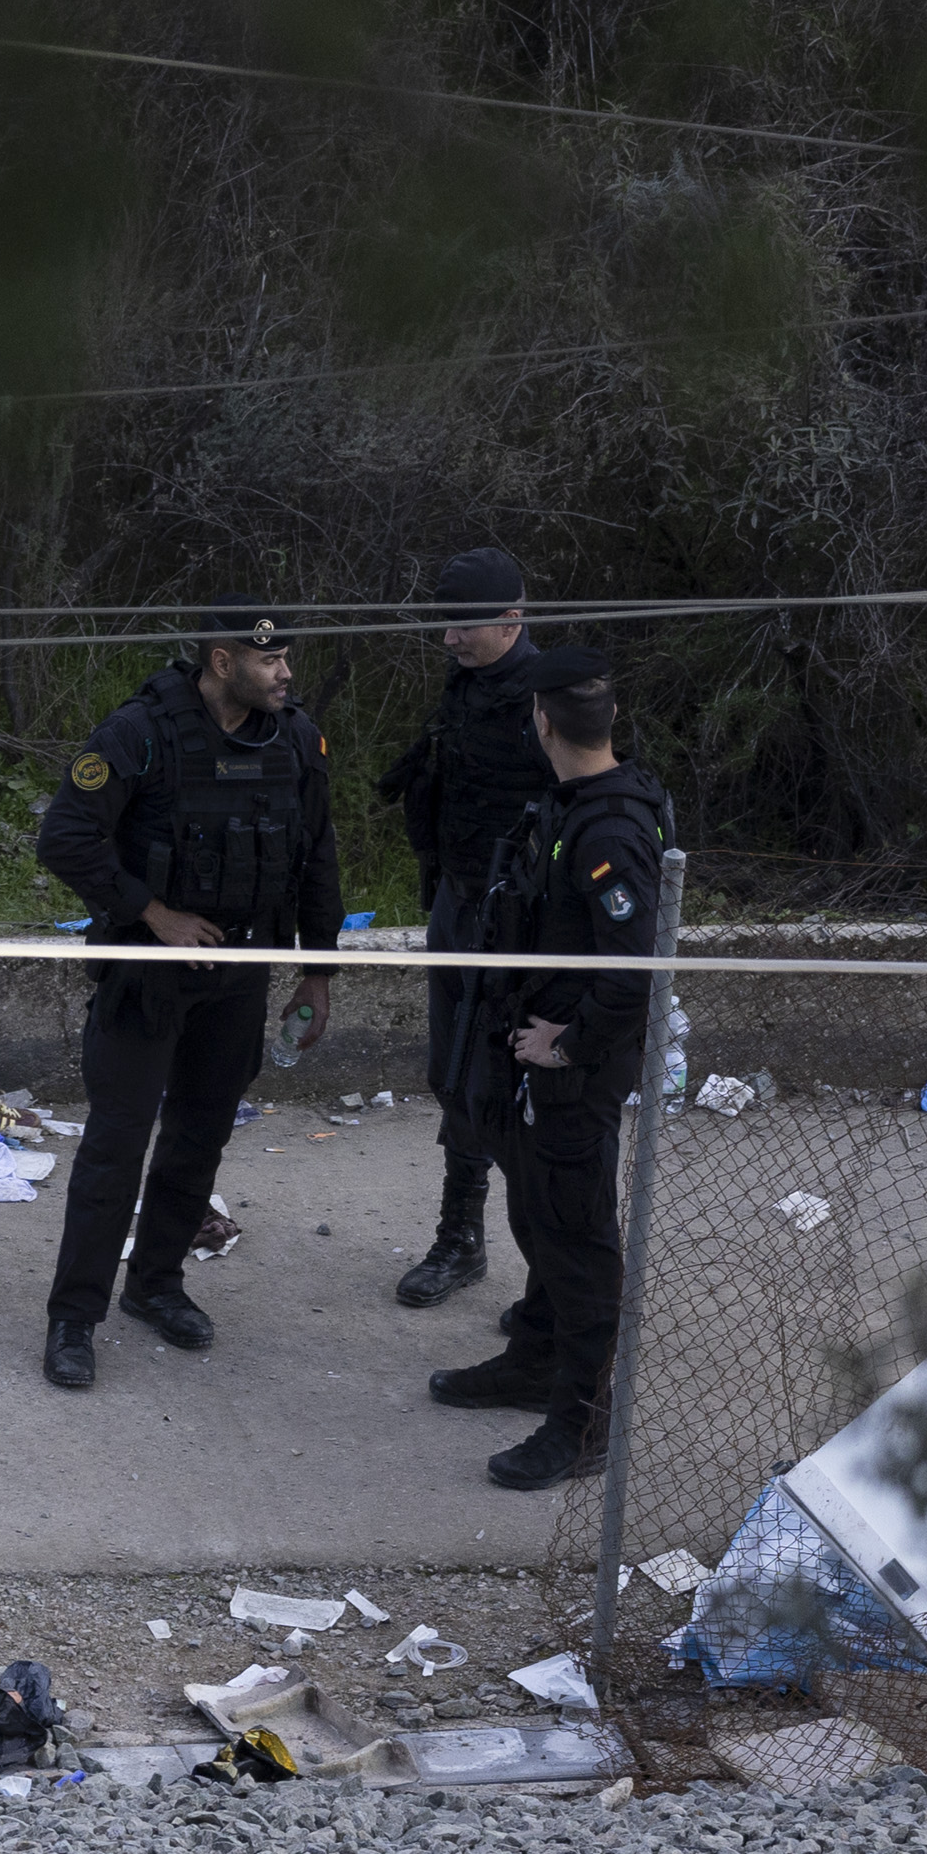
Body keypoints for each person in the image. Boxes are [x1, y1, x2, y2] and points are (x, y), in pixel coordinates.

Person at [29, 603, 344, 1392]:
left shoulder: (298, 740)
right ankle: (74, 1316)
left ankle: (157, 1283)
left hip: (239, 971)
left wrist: (318, 971)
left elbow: (316, 857)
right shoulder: (141, 733)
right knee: (117, 1143)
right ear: (221, 659)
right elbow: (64, 835)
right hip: (149, 973)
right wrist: (152, 912)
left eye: (288, 659)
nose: (285, 673)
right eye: (268, 660)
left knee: (200, 1136)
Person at [440, 649, 672, 1493]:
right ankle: (533, 1359)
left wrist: (567, 1046)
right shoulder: (575, 804)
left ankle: (581, 1423)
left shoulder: (610, 827)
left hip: (576, 1070)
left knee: (576, 1242)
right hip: (533, 1055)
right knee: (537, 1210)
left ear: (543, 721)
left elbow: (635, 973)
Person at [371, 547, 537, 1307]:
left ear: (511, 621)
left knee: (515, 1092)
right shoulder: (467, 685)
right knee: (454, 1075)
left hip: (524, 924)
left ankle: (554, 1277)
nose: (447, 638)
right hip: (459, 902)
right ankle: (461, 1239)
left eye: (461, 624)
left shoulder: (547, 697)